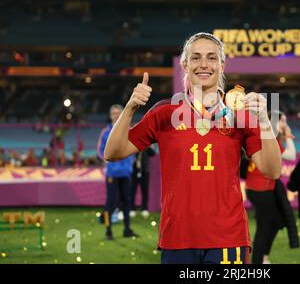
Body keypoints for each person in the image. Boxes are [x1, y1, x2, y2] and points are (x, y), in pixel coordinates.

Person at [103, 32, 282, 264]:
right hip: (177, 237)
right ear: (185, 64)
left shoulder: (240, 114)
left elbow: (273, 170)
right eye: (196, 58)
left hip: (228, 237)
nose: (204, 65)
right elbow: (112, 153)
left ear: (222, 64)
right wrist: (130, 107)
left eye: (211, 58)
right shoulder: (165, 112)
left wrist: (265, 121)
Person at [245, 111, 299, 264]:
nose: (285, 125)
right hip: (260, 189)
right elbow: (291, 155)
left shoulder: (265, 134)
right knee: (264, 227)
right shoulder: (267, 137)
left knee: (275, 222)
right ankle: (257, 262)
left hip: (260, 188)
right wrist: (288, 135)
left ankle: (263, 257)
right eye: (283, 121)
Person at [97, 104, 138, 240]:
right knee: (110, 202)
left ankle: (127, 229)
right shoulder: (105, 132)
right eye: (113, 113)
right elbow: (99, 150)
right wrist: (105, 160)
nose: (115, 115)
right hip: (112, 173)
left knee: (127, 201)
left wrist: (131, 160)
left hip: (126, 172)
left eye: (118, 113)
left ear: (122, 114)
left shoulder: (129, 130)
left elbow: (136, 146)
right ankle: (108, 230)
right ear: (110, 116)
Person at [130, 146, 155, 218]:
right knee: (132, 191)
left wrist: (149, 146)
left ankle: (144, 208)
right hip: (134, 171)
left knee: (145, 190)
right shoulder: (133, 146)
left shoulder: (146, 146)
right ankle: (132, 209)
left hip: (144, 171)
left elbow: (152, 154)